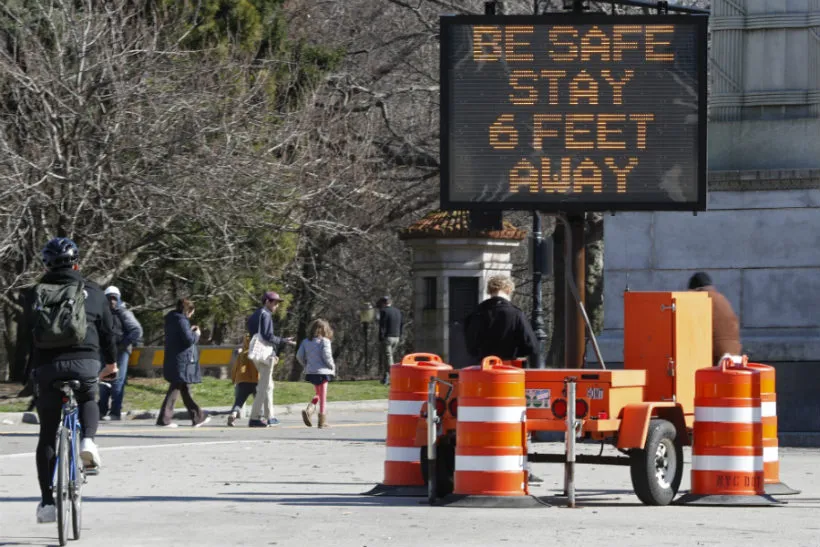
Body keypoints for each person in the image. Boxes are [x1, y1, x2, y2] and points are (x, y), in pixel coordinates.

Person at [16, 237, 118, 523]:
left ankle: (48, 504)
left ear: (45, 264)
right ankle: (88, 441)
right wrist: (110, 363)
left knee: (47, 433)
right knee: (88, 396)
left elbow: (25, 338)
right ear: (77, 262)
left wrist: (29, 371)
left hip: (48, 369)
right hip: (85, 364)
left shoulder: (34, 293)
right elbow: (110, 334)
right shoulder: (94, 293)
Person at [156, 298, 210, 428]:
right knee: (176, 387)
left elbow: (179, 336)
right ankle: (164, 419)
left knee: (182, 388)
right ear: (188, 311)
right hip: (181, 359)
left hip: (174, 357)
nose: (191, 315)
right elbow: (188, 340)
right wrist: (196, 334)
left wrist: (189, 329)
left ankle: (197, 417)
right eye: (191, 313)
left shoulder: (172, 319)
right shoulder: (181, 320)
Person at [246, 291, 295, 427]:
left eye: (278, 303)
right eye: (275, 302)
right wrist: (283, 340)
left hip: (256, 353)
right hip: (266, 354)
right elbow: (268, 336)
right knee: (263, 386)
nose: (277, 306)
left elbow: (251, 328)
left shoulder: (256, 314)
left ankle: (270, 416)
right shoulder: (266, 315)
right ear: (267, 301)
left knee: (268, 385)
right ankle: (254, 418)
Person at [464, 275, 538, 363]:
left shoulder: (476, 313)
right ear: (508, 290)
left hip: (482, 366)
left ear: (489, 291)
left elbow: (471, 345)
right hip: (507, 366)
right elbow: (531, 346)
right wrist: (516, 353)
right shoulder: (516, 314)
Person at [98, 286, 143, 421]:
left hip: (121, 352)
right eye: (109, 298)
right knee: (103, 381)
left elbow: (137, 330)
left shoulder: (124, 312)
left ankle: (115, 412)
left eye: (114, 298)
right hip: (105, 351)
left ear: (118, 298)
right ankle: (102, 410)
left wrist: (123, 343)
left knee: (117, 381)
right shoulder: (101, 312)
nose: (112, 301)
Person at [688, 272, 742, 363]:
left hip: (718, 359)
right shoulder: (722, 298)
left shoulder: (700, 300)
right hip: (734, 355)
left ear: (694, 289)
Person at [296, 319, 336, 429]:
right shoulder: (325, 341)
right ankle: (322, 421)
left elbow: (299, 356)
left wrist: (306, 364)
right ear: (325, 330)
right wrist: (332, 366)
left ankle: (309, 409)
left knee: (318, 393)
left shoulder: (305, 342)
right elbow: (326, 356)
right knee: (323, 396)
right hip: (323, 372)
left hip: (312, 372)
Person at [227, 334, 259, 427]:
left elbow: (235, 368)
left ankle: (234, 414)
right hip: (257, 380)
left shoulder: (242, 354)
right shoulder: (258, 353)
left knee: (239, 401)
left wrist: (234, 379)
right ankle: (259, 417)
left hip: (243, 380)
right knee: (258, 400)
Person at [377, 296, 403, 384]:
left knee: (388, 358)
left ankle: (393, 377)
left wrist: (381, 336)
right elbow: (401, 324)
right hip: (396, 336)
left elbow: (382, 325)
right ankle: (386, 378)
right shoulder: (397, 311)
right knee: (389, 358)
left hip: (388, 337)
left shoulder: (384, 311)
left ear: (384, 303)